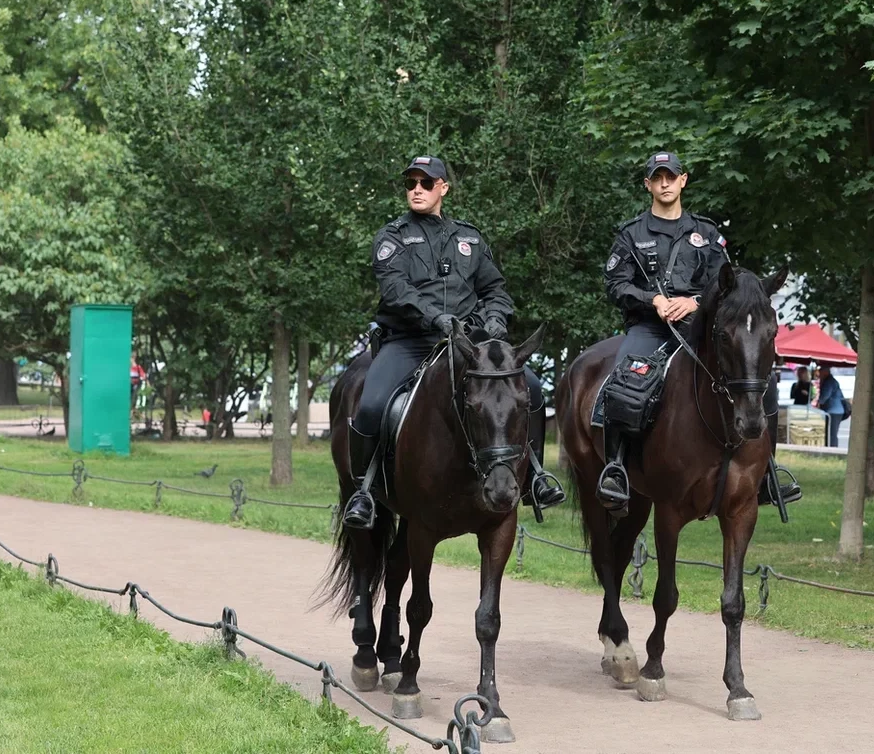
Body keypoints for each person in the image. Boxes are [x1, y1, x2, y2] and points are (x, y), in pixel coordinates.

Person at [342, 154, 565, 529]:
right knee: (371, 407)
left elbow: (495, 288)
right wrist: (435, 317)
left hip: (467, 345)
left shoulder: (470, 238)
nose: (416, 189)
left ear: (443, 188)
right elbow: (396, 290)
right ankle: (364, 492)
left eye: (425, 183)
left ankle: (534, 479)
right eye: (411, 183)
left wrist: (494, 319)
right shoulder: (392, 236)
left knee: (533, 389)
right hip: (409, 341)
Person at [598, 150, 801, 510]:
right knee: (625, 376)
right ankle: (616, 468)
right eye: (658, 177)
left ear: (683, 180)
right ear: (648, 184)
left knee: (756, 375)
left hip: (700, 326)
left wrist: (693, 302)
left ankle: (768, 472)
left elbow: (726, 285)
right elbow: (615, 283)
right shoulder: (630, 234)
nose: (665, 183)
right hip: (650, 326)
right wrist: (653, 301)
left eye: (671, 176)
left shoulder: (706, 233)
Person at [815, 365, 848, 447]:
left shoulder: (829, 382)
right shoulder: (831, 381)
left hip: (833, 411)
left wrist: (818, 402)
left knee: (831, 433)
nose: (819, 374)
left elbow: (824, 397)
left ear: (825, 372)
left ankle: (833, 450)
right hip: (837, 410)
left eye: (821, 371)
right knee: (832, 433)